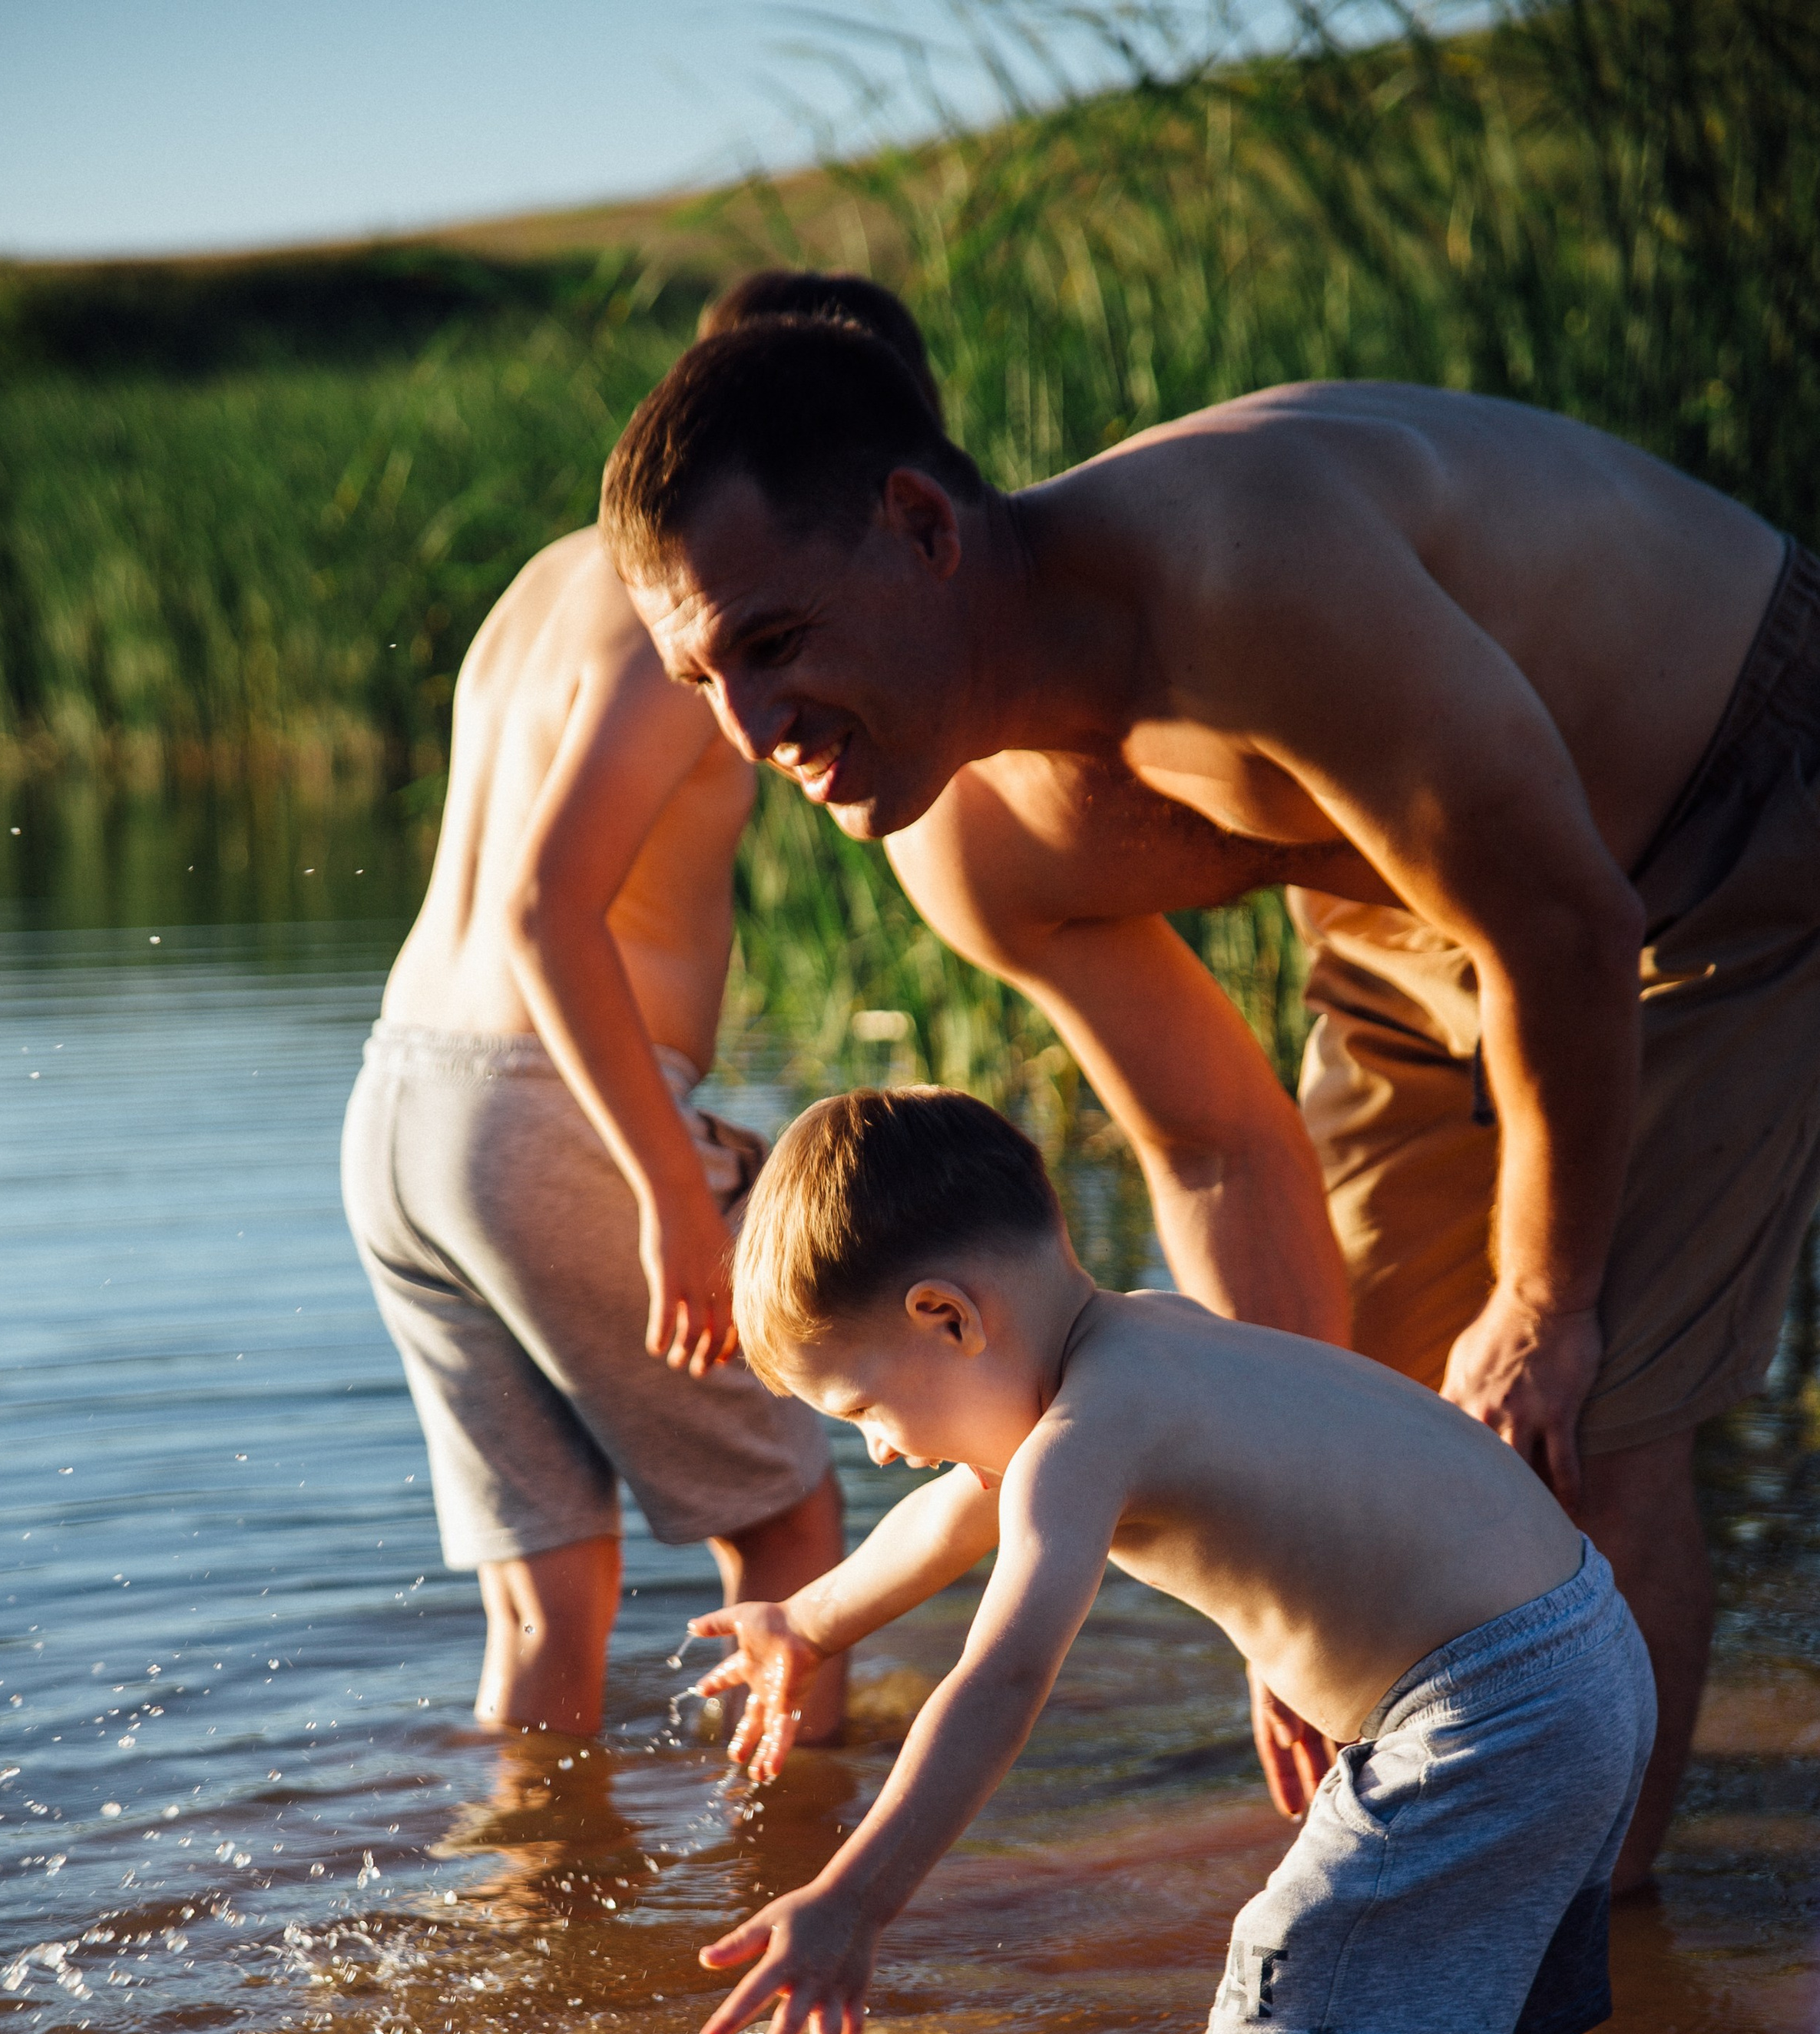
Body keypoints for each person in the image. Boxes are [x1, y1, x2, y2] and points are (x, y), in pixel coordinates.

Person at [599, 329, 1820, 1887]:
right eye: (704, 679)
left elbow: (1561, 928)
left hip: (1704, 805)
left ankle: (1586, 1979)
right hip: (1415, 893)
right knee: (1380, 1436)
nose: (754, 734)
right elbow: (1207, 1146)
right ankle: (1445, 1949)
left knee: (1585, 1418)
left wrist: (1541, 1298)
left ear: (921, 526)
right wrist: (1282, 1552)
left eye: (773, 640)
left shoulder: (1243, 573)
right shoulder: (959, 837)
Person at [682, 1088, 1654, 2034]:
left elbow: (1000, 1676)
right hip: (1587, 1650)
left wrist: (855, 1899)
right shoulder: (1152, 1331)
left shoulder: (1088, 1436)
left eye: (862, 1407)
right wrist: (809, 1621)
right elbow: (963, 1510)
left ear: (948, 1317)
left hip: (1490, 1708)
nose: (881, 1451)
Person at [341, 273, 939, 1739]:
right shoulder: (695, 615)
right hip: (550, 1116)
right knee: (792, 1530)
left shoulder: (549, 577)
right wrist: (670, 1189)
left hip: (400, 1115)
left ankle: (536, 1921)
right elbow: (553, 914)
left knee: (550, 1601)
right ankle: (793, 1890)